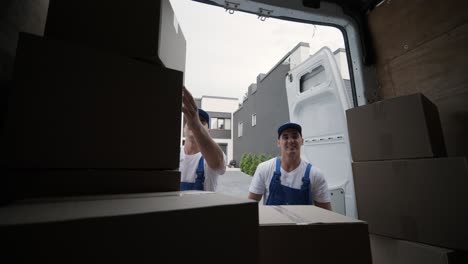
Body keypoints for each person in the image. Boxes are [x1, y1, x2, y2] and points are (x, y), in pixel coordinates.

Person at [248, 122, 332, 209]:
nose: (291, 141)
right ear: (278, 143)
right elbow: (249, 207)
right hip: (272, 222)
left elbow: (327, 214)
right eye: (285, 137)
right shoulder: (264, 169)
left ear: (302, 141)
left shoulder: (315, 174)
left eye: (295, 136)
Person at [179, 86, 227, 191]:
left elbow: (218, 164)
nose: (195, 122)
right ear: (184, 128)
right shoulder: (174, 154)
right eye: (190, 121)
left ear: (208, 131)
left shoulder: (210, 157)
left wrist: (197, 127)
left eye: (202, 122)